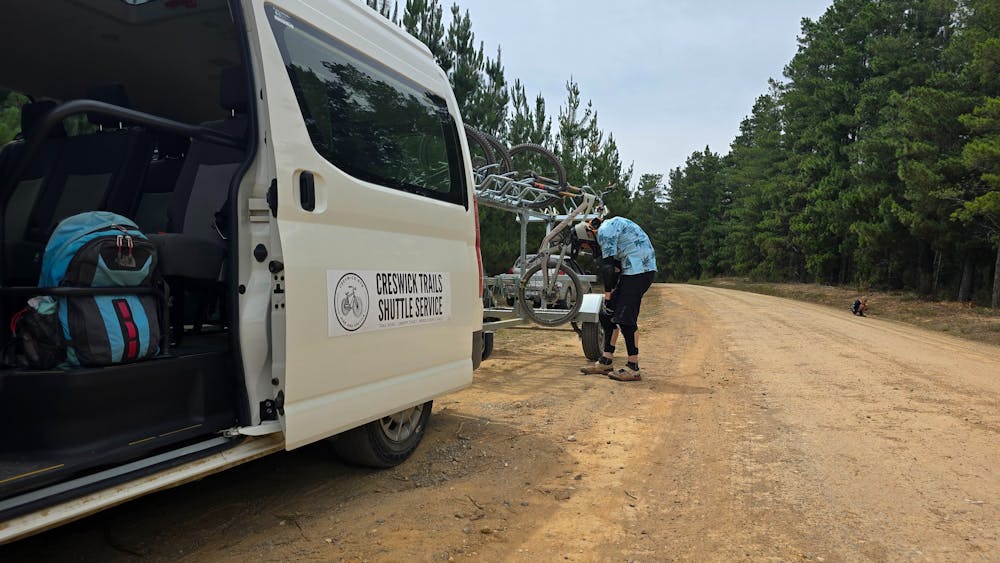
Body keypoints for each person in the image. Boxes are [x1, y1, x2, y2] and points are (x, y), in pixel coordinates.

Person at [575, 216, 657, 381]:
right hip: (632, 270)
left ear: (589, 235)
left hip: (639, 271)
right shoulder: (611, 227)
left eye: (587, 245)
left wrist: (608, 295)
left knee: (625, 319)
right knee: (607, 315)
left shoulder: (604, 231)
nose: (592, 248)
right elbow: (617, 266)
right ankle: (606, 360)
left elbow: (608, 267)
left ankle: (633, 367)